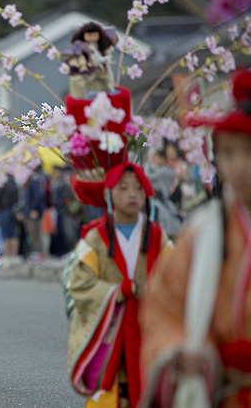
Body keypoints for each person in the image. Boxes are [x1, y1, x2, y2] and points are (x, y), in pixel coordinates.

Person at [140, 69, 251, 407]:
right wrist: (179, 348)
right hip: (223, 389)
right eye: (228, 153)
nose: (239, 166)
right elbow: (163, 307)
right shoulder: (204, 230)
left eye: (248, 151)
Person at [66, 162, 173, 407]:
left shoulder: (158, 236)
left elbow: (176, 282)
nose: (132, 194)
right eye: (123, 188)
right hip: (110, 334)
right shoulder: (96, 237)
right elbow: (79, 285)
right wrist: (117, 293)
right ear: (109, 194)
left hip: (148, 333)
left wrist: (154, 295)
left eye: (138, 188)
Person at [16, 169, 48, 261]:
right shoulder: (25, 184)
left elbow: (37, 197)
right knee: (31, 234)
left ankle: (39, 254)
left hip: (33, 213)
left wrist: (34, 210)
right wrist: (21, 211)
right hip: (27, 213)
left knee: (35, 234)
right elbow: (23, 201)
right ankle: (35, 253)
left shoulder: (34, 182)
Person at [0, 176, 20, 258]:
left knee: (5, 234)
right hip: (13, 211)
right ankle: (14, 255)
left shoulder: (2, 181)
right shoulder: (14, 182)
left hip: (3, 210)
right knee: (13, 233)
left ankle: (7, 255)